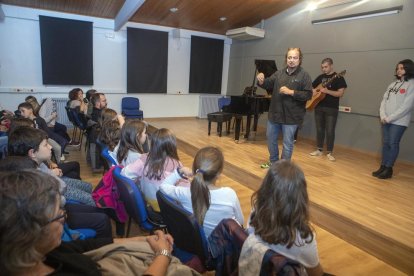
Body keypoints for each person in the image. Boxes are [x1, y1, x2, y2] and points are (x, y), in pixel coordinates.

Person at [0, 170, 195, 276]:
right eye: (59, 215)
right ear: (30, 233)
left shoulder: (45, 254)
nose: (64, 217)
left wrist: (144, 240)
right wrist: (163, 254)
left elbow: (86, 245)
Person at [239, 160, 324, 276]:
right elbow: (316, 273)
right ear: (301, 196)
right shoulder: (303, 238)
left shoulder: (256, 213)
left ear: (266, 187)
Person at [160, 146, 244, 239]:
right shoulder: (230, 195)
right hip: (222, 248)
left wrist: (180, 171)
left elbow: (163, 187)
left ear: (194, 169)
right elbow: (240, 221)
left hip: (194, 244)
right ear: (219, 173)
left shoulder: (185, 193)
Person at [257, 48, 312, 168]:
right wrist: (261, 80)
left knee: (287, 144)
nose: (291, 60)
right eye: (289, 57)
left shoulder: (304, 75)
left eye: (295, 58)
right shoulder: (279, 73)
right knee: (271, 139)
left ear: (299, 59)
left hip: (291, 117)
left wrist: (291, 92)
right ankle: (273, 162)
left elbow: (308, 94)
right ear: (286, 59)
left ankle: (283, 167)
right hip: (275, 114)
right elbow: (267, 83)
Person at [122, 128, 190, 211]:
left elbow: (124, 173)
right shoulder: (176, 164)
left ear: (153, 143)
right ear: (172, 145)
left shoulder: (143, 159)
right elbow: (185, 192)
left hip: (148, 204)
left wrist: (138, 181)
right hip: (167, 210)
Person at [372, 59, 414, 179]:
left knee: (392, 143)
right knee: (385, 143)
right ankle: (383, 166)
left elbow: (407, 106)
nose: (398, 70)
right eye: (397, 68)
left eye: (401, 68)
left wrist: (390, 118)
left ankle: (389, 169)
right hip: (386, 119)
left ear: (408, 69)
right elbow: (384, 101)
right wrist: (383, 115)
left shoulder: (411, 84)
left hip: (399, 121)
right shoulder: (392, 84)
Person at [309, 58, 347, 161]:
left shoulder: (339, 78)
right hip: (318, 106)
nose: (324, 69)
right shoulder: (320, 77)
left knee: (330, 131)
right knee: (319, 129)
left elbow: (340, 93)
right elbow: (311, 87)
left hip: (331, 108)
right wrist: (313, 91)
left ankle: (329, 152)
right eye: (322, 67)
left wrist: (327, 91)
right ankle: (319, 150)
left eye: (326, 67)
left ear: (331, 66)